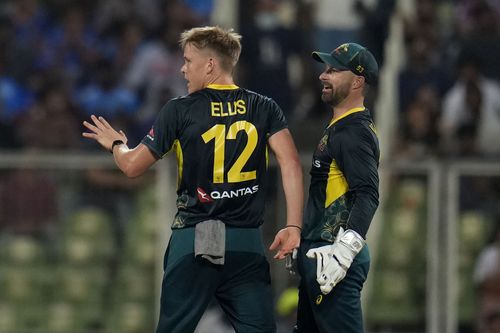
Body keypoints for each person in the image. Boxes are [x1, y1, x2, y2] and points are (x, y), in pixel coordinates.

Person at [82, 26, 304, 333]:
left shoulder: (179, 109)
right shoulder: (264, 107)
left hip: (196, 236)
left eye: (188, 60)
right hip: (247, 241)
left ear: (210, 65)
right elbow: (291, 163)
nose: (183, 69)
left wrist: (117, 146)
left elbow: (133, 167)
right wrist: (293, 225)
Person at [293, 42, 380, 333]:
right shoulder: (340, 127)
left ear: (357, 81)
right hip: (320, 252)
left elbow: (367, 193)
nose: (323, 75)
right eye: (325, 69)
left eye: (333, 70)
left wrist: (344, 251)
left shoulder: (352, 131)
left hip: (331, 259)